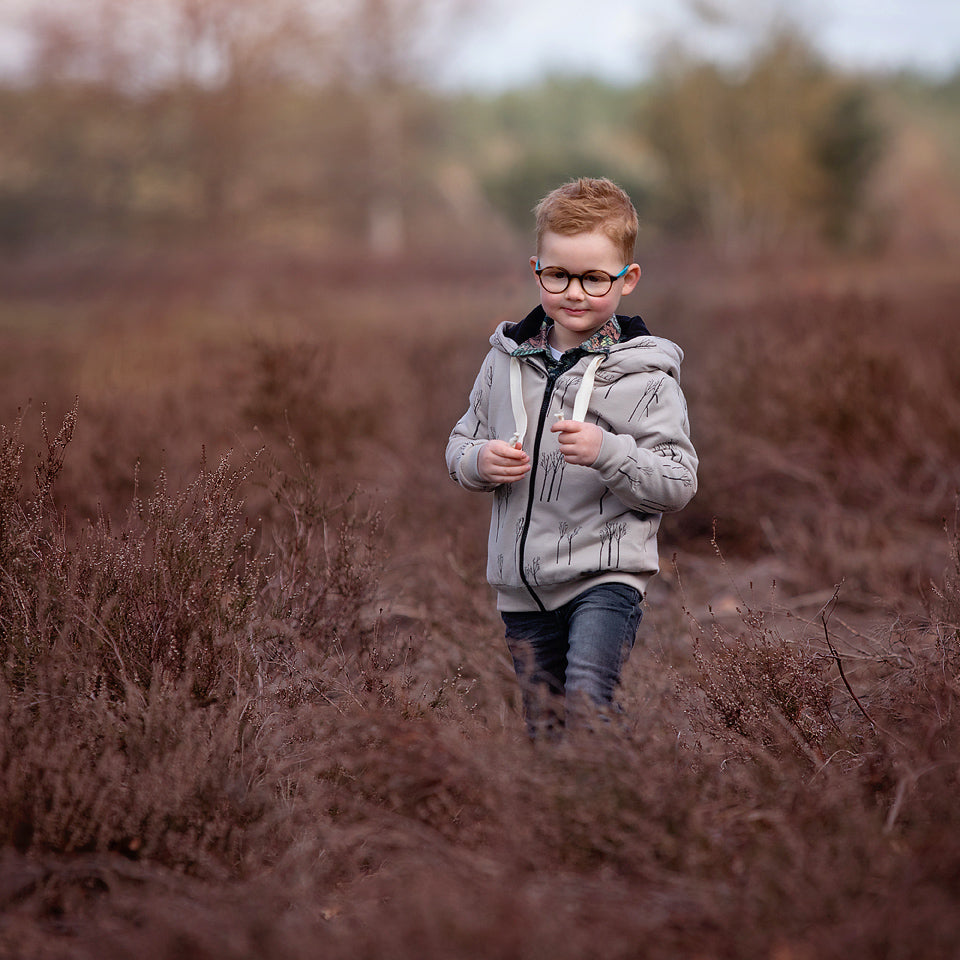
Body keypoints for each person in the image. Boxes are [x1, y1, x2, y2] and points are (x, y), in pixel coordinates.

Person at [445, 177, 698, 738]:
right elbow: (459, 443)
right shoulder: (505, 362)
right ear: (536, 269)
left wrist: (608, 451)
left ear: (627, 279)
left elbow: (678, 482)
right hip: (521, 586)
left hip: (605, 578)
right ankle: (561, 823)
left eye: (594, 278)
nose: (574, 292)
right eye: (558, 274)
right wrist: (478, 461)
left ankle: (614, 816)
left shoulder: (646, 378)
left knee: (587, 704)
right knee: (545, 729)